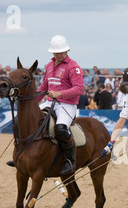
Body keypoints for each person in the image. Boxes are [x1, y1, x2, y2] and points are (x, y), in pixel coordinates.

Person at [35, 34, 84, 175]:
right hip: (50, 102)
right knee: (29, 120)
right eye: (55, 52)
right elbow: (44, 86)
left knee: (60, 129)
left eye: (60, 52)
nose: (58, 55)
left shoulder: (73, 67)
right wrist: (33, 103)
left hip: (66, 105)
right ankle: (24, 155)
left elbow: (79, 89)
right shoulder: (49, 65)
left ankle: (70, 161)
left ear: (66, 51)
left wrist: (59, 94)